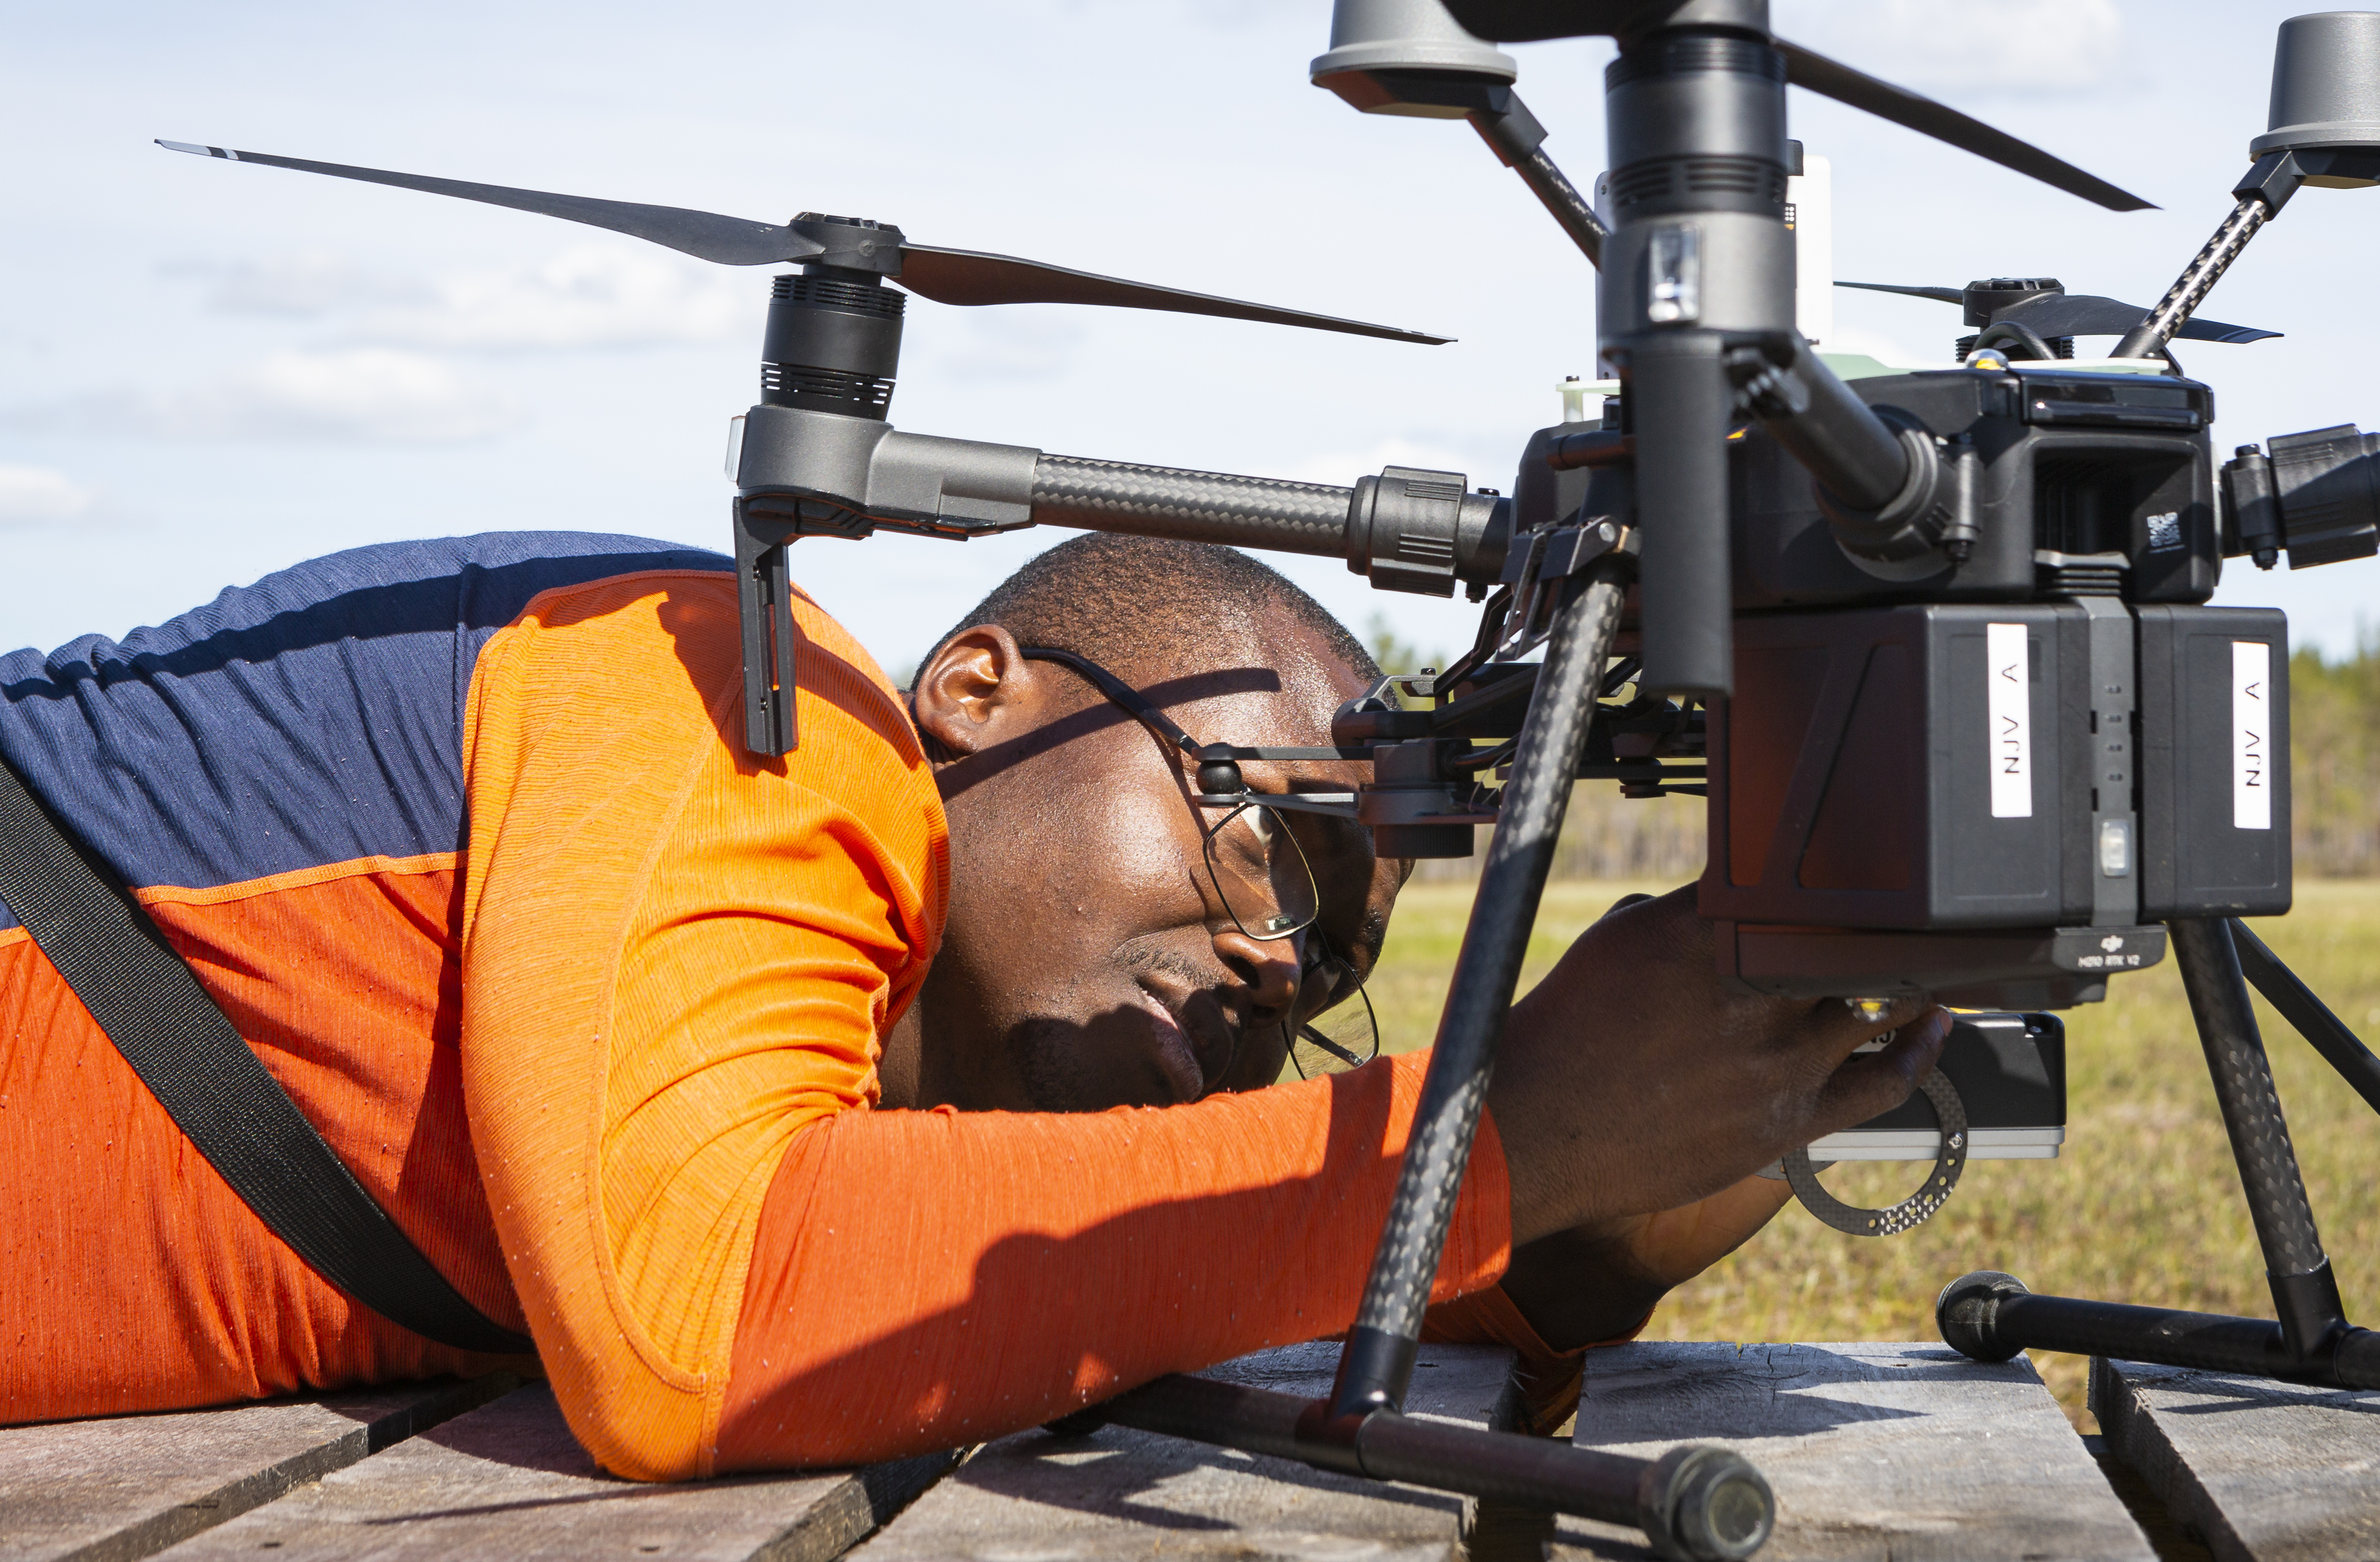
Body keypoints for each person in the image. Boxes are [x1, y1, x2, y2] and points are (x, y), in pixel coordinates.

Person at [0, 529, 1944, 1475]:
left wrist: (1598, 1232)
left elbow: (1131, 1230)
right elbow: (699, 1326)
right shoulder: (742, 694)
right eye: (1263, 838)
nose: (1278, 967)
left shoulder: (864, 1080)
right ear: (979, 689)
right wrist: (1505, 1131)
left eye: (1334, 968)